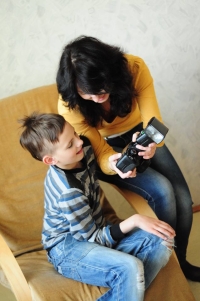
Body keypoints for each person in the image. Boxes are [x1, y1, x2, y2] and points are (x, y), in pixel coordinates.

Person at [56, 35, 200, 282]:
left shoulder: (134, 68)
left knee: (184, 199)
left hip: (142, 134)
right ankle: (168, 269)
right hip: (107, 147)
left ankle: (180, 263)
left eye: (103, 87)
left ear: (113, 71)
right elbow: (101, 154)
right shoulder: (70, 106)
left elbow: (153, 121)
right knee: (163, 191)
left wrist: (152, 143)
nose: (98, 96)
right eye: (88, 93)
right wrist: (113, 165)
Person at [19, 112, 175, 301]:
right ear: (50, 160)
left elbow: (113, 164)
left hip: (97, 231)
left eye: (75, 134)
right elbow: (92, 240)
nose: (79, 142)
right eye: (69, 144)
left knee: (163, 237)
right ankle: (128, 279)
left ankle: (126, 285)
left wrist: (138, 154)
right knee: (130, 267)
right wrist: (134, 221)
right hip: (68, 250)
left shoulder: (83, 149)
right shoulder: (69, 193)